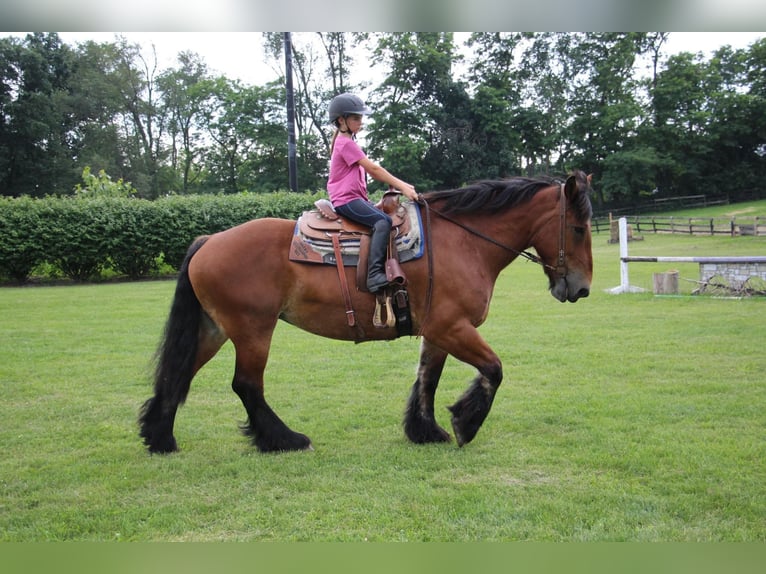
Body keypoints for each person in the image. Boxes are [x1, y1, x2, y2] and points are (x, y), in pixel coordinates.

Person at [327, 92, 419, 293]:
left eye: (361, 118)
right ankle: (374, 276)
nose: (360, 122)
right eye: (356, 118)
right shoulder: (345, 144)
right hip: (346, 200)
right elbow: (374, 170)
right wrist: (402, 186)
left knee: (385, 217)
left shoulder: (346, 142)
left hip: (355, 198)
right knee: (382, 222)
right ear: (341, 120)